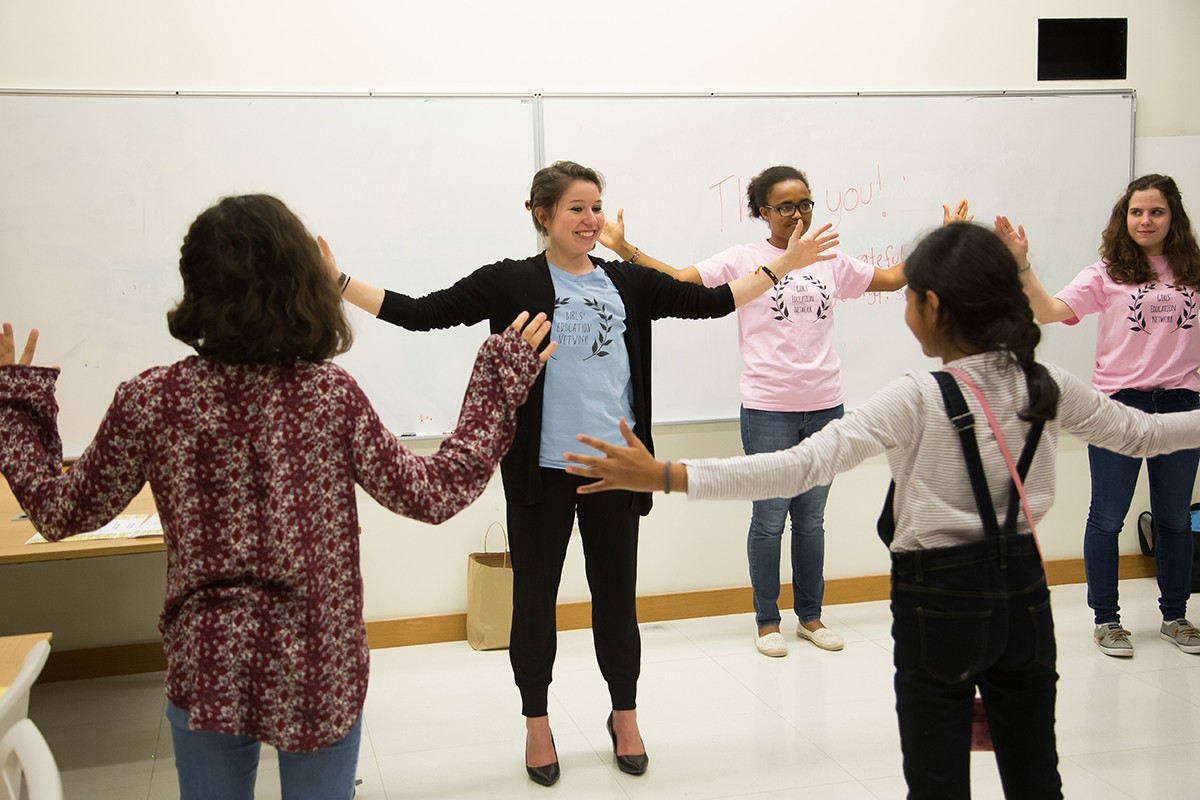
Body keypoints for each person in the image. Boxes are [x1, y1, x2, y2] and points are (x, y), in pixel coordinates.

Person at [562, 221, 1200, 799]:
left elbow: (798, 466)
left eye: (910, 297)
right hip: (1027, 597)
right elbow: (1147, 434)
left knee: (937, 775)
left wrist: (667, 475)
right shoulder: (1046, 383)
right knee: (1034, 773)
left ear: (935, 306)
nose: (906, 309)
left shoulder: (917, 397)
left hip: (938, 601)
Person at [0, 194, 554, 800]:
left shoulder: (152, 400)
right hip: (318, 656)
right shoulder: (327, 395)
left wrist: (16, 406)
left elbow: (56, 510)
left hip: (208, 659)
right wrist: (498, 381)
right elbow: (434, 493)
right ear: (300, 284)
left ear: (197, 287)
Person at [323, 160, 839, 784]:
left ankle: (625, 714)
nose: (592, 219)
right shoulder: (510, 281)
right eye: (577, 208)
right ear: (543, 216)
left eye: (596, 207)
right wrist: (338, 281)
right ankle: (537, 722)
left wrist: (783, 264)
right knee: (534, 602)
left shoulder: (628, 282)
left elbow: (712, 302)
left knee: (616, 599)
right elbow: (419, 312)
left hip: (618, 468)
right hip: (540, 471)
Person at [600, 165, 970, 657]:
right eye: (786, 207)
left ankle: (811, 617)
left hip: (826, 406)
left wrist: (945, 238)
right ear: (763, 212)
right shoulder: (744, 259)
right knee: (770, 518)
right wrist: (623, 247)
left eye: (805, 204)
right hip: (768, 408)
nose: (798, 215)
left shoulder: (828, 259)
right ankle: (767, 620)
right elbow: (680, 280)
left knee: (812, 520)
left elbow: (894, 277)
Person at [995, 173, 1200, 658]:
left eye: (1156, 211)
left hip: (1182, 405)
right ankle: (1107, 620)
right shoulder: (1106, 272)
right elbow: (1048, 311)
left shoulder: (1193, 270)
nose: (1145, 220)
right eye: (1136, 212)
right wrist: (1021, 264)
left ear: (1173, 217)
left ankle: (1175, 616)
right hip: (1118, 407)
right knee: (1107, 516)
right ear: (1123, 218)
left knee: (1175, 517)